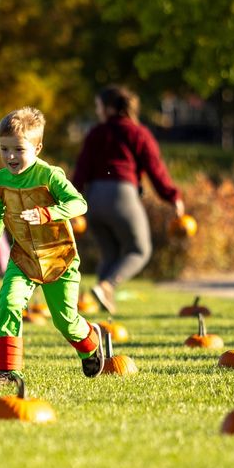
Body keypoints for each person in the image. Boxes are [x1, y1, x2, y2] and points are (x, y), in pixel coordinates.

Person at [0, 107, 106, 387]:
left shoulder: (50, 176)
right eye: (4, 149)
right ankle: (9, 372)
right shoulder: (1, 179)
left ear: (37, 147)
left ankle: (89, 342)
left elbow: (79, 204)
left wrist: (47, 213)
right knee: (8, 303)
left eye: (18, 149)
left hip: (58, 259)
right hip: (23, 257)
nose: (10, 156)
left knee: (64, 321)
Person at [71, 85, 184, 314]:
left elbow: (81, 170)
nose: (97, 110)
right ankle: (107, 286)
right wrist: (173, 197)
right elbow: (155, 169)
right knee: (139, 250)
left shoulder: (96, 133)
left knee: (110, 254)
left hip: (93, 199)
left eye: (99, 106)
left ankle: (104, 311)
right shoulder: (137, 132)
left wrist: (71, 203)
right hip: (121, 196)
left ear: (110, 107)